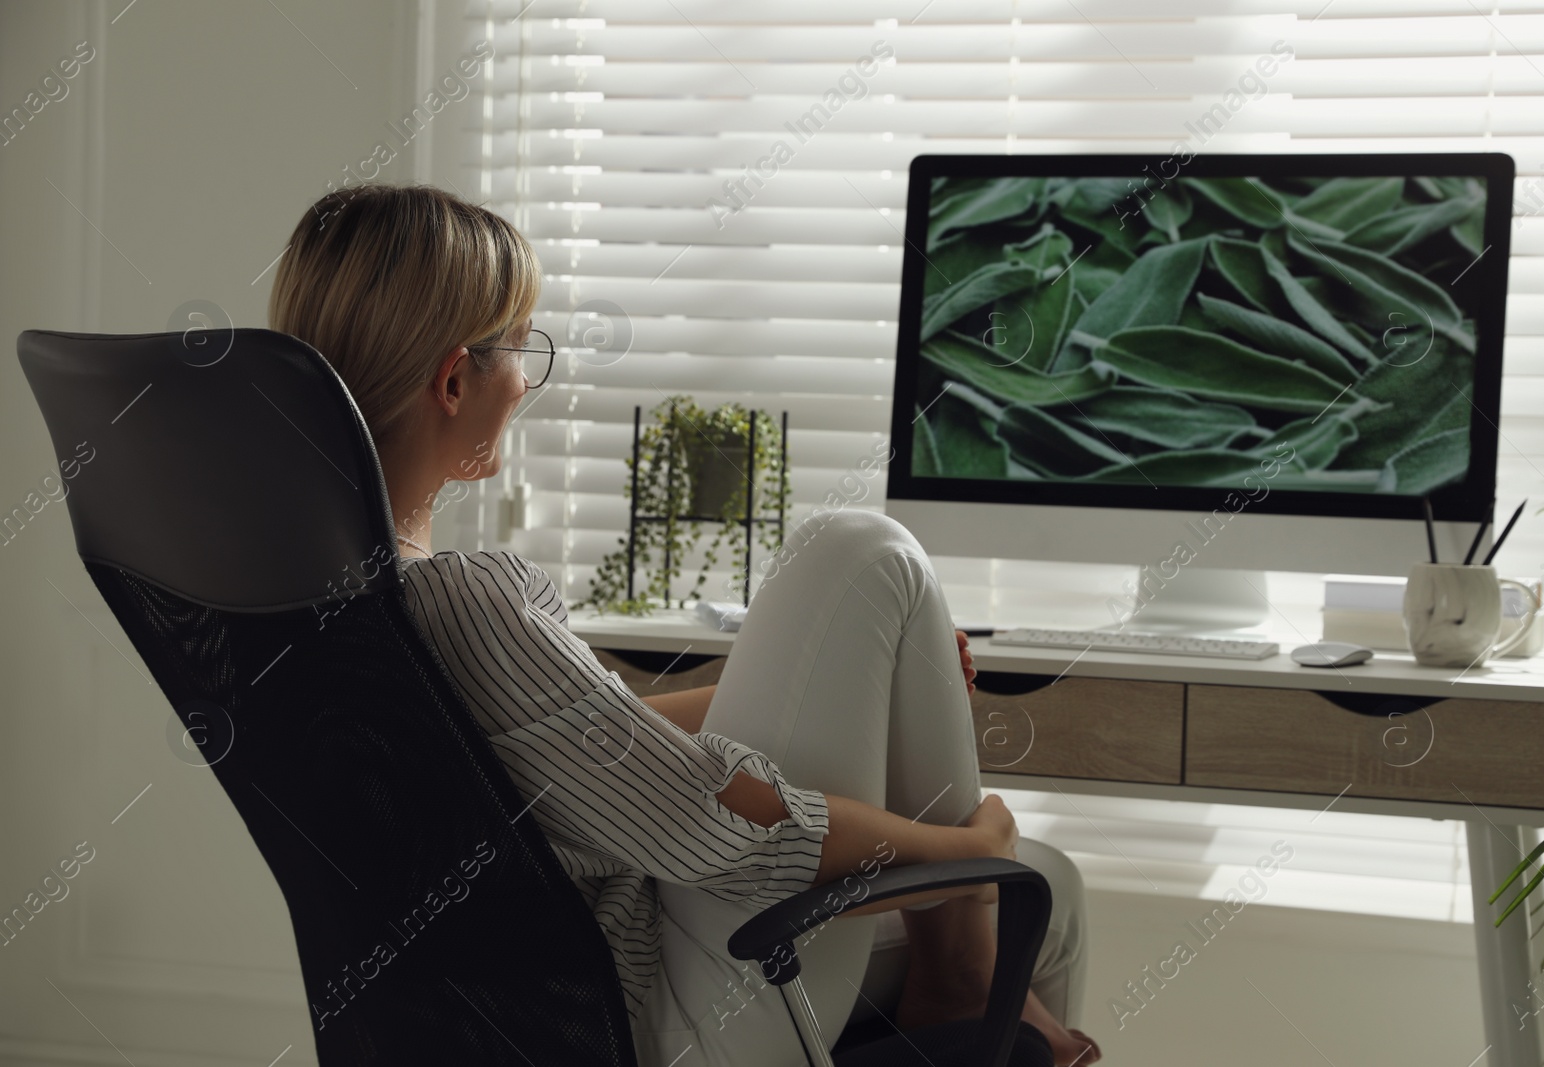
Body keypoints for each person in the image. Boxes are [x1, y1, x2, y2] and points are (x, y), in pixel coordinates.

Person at [267, 182, 1101, 1067]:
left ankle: (966, 956)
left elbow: (582, 753)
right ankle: (963, 957)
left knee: (1052, 886)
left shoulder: (321, 609)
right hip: (654, 1021)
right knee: (864, 549)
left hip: (501, 1018)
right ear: (452, 378)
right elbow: (727, 829)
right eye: (523, 347)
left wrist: (831, 678)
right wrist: (965, 850)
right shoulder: (468, 602)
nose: (527, 379)